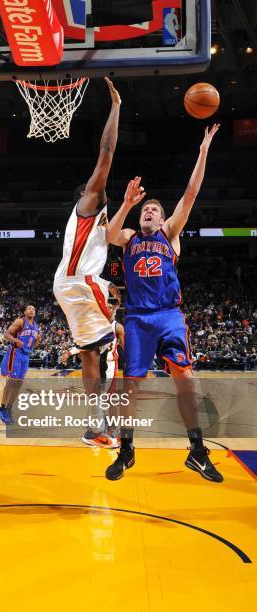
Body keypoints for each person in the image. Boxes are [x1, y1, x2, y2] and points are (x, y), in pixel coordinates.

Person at [106, 124, 223, 483]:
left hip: (169, 316)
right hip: (138, 319)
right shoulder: (128, 238)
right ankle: (126, 451)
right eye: (148, 209)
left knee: (185, 380)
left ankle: (197, 451)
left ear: (162, 217)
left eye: (155, 210)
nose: (150, 212)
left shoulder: (170, 235)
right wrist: (127, 203)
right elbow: (109, 233)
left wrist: (203, 152)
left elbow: (190, 193)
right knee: (132, 387)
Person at [53, 77, 122, 444]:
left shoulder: (99, 221)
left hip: (70, 284)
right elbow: (107, 152)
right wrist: (116, 107)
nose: (101, 186)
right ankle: (106, 418)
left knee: (90, 355)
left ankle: (95, 426)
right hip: (80, 282)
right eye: (96, 185)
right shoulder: (88, 204)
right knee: (118, 334)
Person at [61, 302, 124, 448]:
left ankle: (109, 428)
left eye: (110, 307)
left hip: (111, 364)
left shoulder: (117, 327)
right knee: (97, 397)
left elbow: (125, 346)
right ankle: (97, 430)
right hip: (97, 364)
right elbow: (83, 345)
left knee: (109, 398)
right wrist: (69, 352)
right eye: (105, 306)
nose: (108, 308)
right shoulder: (96, 325)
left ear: (114, 310)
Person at [0, 305, 41, 424]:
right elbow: (6, 334)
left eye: (33, 309)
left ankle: (9, 408)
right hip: (15, 353)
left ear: (35, 313)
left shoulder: (36, 326)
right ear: (25, 312)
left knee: (19, 383)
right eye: (29, 309)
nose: (31, 310)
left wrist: (37, 340)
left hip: (26, 356)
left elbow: (34, 345)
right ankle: (2, 408)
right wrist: (16, 340)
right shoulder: (20, 321)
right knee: (12, 381)